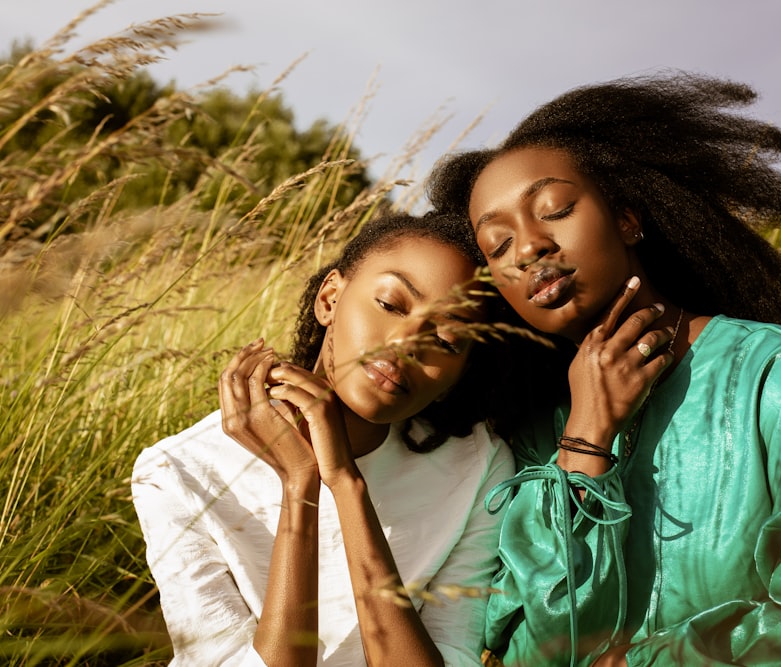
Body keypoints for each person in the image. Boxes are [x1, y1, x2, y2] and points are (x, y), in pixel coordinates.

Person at [426, 72, 781, 666]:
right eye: (498, 245)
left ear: (628, 218)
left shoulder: (771, 369)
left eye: (554, 210)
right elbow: (535, 648)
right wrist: (586, 442)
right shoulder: (533, 434)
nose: (528, 247)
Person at [132, 212, 517, 666]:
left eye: (449, 340)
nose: (408, 343)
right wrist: (302, 485)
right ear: (330, 298)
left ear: (459, 373)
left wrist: (345, 484)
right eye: (392, 305)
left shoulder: (475, 467)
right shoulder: (180, 471)